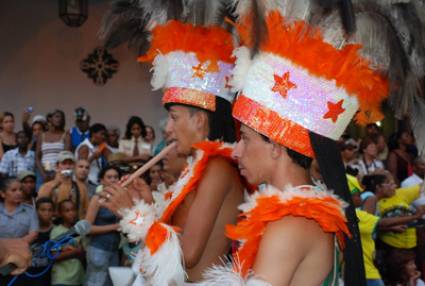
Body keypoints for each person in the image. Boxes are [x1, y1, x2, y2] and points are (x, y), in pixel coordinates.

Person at [202, 6, 389, 285]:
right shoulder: (304, 213)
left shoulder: (290, 226)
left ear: (276, 146)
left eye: (246, 139)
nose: (236, 150)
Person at [100, 16, 244, 284]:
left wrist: (133, 214)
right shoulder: (197, 168)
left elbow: (187, 255)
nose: (167, 128)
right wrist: (148, 205)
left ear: (199, 120)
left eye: (174, 117)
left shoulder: (217, 168)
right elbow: (175, 238)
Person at [85, 166, 122, 286]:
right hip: (98, 249)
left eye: (116, 177)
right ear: (102, 181)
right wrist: (113, 227)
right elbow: (87, 228)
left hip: (114, 249)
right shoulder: (97, 198)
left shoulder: (120, 199)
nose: (113, 180)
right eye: (109, 177)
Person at [38, 151, 89, 220]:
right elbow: (41, 211)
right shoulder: (46, 187)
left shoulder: (82, 187)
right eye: (64, 163)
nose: (67, 167)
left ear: (74, 166)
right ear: (57, 166)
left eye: (70, 164)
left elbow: (86, 211)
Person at [50, 199, 85, 286]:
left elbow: (84, 252)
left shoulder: (79, 231)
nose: (71, 213)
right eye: (67, 211)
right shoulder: (57, 231)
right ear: (60, 214)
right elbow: (54, 256)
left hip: (78, 278)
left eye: (73, 210)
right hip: (62, 279)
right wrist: (76, 251)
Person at [36, 109, 71, 182]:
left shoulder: (66, 136)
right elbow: (37, 157)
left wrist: (56, 172)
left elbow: (66, 157)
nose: (59, 119)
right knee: (42, 192)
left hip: (59, 171)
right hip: (43, 171)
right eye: (57, 116)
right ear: (50, 119)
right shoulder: (42, 136)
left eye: (61, 118)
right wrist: (43, 174)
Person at [0, 177, 38, 242]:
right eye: (13, 190)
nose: (19, 193)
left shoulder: (30, 211)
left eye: (20, 190)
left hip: (21, 249)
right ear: (2, 194)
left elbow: (33, 234)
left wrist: (16, 244)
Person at [29, 197, 54, 286]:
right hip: (29, 273)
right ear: (36, 212)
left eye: (50, 210)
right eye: (42, 210)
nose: (46, 213)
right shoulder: (30, 230)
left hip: (48, 275)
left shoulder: (56, 231)